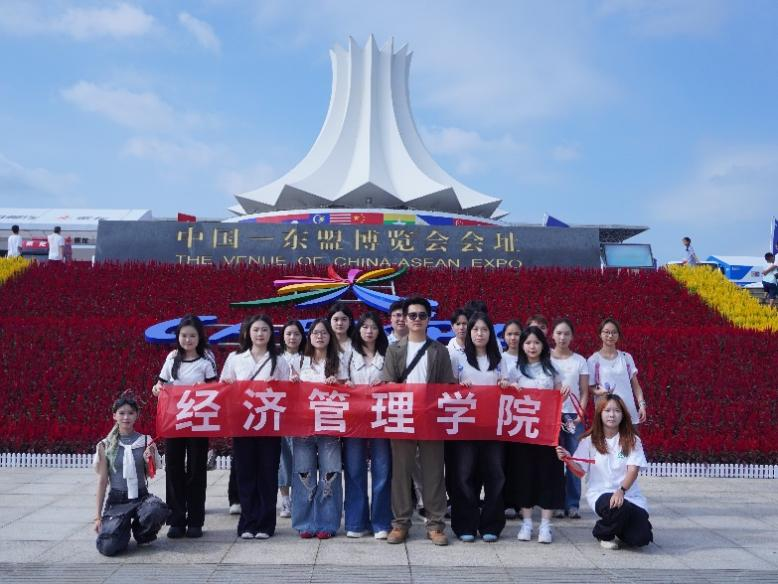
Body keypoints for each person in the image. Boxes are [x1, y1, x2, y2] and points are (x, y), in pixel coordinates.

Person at [383, 295, 455, 546]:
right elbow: (388, 383)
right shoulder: (394, 349)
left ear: (428, 319)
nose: (417, 319)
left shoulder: (439, 350)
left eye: (422, 315)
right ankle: (400, 523)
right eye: (412, 315)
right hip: (402, 416)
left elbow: (447, 386)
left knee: (434, 473)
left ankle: (435, 525)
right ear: (404, 318)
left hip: (431, 419)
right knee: (401, 473)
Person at [221, 314, 290, 539]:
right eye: (256, 330)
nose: (260, 334)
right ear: (247, 333)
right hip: (243, 422)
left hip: (269, 423)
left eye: (264, 330)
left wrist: (279, 386)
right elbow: (223, 387)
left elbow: (289, 393)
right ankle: (247, 523)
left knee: (268, 473)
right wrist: (228, 385)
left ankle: (266, 524)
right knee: (245, 473)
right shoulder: (235, 358)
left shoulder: (279, 360)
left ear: (271, 334)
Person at [556, 394, 653, 549]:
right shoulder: (589, 441)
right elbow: (580, 472)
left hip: (628, 495)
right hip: (601, 494)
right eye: (607, 411)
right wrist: (568, 459)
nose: (612, 415)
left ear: (623, 415)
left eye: (617, 411)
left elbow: (633, 469)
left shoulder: (631, 441)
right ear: (600, 414)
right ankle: (603, 533)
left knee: (642, 538)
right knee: (620, 507)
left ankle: (618, 527)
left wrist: (621, 490)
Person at [151, 315, 217, 538]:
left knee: (196, 470)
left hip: (198, 421)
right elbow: (160, 384)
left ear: (200, 337)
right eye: (184, 335)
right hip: (175, 420)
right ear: (178, 337)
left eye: (192, 336)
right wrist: (157, 389)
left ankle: (195, 520)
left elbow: (215, 388)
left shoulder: (206, 360)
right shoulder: (172, 359)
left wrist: (205, 387)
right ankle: (176, 520)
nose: (188, 340)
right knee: (174, 468)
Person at [502, 326, 569, 544]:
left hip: (548, 431)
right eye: (528, 342)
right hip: (523, 431)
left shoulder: (552, 368)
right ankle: (527, 522)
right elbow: (504, 393)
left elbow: (560, 394)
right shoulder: (515, 369)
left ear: (543, 345)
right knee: (525, 475)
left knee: (549, 474)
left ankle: (546, 525)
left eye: (537, 342)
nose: (532, 347)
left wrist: (563, 392)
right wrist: (508, 386)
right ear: (522, 345)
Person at [449, 312, 505, 542]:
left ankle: (491, 524)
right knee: (463, 475)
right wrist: (458, 386)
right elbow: (446, 388)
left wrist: (506, 384)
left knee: (496, 476)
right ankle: (465, 524)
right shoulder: (458, 358)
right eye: (475, 329)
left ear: (490, 333)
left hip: (493, 426)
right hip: (465, 426)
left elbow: (510, 387)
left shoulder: (499, 359)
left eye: (484, 329)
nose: (479, 334)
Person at [94, 394, 169, 556]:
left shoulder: (146, 441)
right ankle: (122, 527)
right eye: (121, 413)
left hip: (141, 496)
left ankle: (142, 533)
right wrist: (98, 517)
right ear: (114, 416)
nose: (126, 417)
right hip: (117, 500)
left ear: (136, 415)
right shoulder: (105, 445)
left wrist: (149, 458)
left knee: (156, 510)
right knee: (107, 547)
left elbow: (151, 473)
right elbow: (102, 481)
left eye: (130, 413)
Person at [293, 318, 347, 539]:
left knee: (330, 474)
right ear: (310, 337)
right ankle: (305, 523)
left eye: (324, 333)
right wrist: (293, 383)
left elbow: (350, 391)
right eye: (315, 332)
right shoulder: (299, 361)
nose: (320, 336)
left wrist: (339, 384)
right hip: (303, 427)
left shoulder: (339, 361)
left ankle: (327, 523)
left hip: (329, 426)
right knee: (303, 474)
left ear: (330, 337)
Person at [343, 311, 392, 539]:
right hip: (354, 419)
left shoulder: (388, 353)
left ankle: (381, 522)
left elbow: (397, 381)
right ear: (358, 330)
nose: (369, 331)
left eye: (373, 327)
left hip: (381, 418)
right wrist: (346, 384)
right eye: (364, 327)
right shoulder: (348, 354)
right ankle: (356, 522)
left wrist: (387, 383)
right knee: (354, 470)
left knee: (382, 469)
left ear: (379, 330)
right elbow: (339, 381)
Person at [550, 318, 589, 519]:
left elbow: (584, 391)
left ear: (572, 336)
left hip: (573, 416)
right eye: (559, 333)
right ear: (552, 335)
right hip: (551, 415)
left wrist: (579, 415)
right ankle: (556, 503)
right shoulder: (546, 359)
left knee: (574, 459)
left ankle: (572, 504)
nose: (562, 337)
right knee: (555, 460)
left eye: (566, 333)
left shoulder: (580, 361)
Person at [587, 318, 647, 427]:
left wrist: (641, 405)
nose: (610, 336)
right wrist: (599, 392)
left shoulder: (626, 357)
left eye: (614, 332)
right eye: (606, 332)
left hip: (628, 414)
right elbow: (590, 387)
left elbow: (636, 385)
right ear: (600, 334)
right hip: (607, 416)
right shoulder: (593, 360)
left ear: (618, 335)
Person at [277, 320, 307, 518]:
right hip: (281, 414)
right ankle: (285, 500)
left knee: (302, 458)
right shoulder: (276, 358)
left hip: (302, 416)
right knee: (283, 459)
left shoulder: (309, 358)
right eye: (288, 334)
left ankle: (301, 498)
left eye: (296, 334)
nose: (292, 337)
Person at [499, 319, 523, 520]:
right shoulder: (499, 357)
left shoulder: (529, 357)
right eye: (509, 334)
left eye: (516, 334)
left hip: (524, 416)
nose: (513, 338)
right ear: (504, 336)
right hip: (503, 415)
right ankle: (505, 501)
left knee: (519, 462)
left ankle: (519, 502)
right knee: (503, 461)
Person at [328, 301, 354, 370]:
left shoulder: (357, 344)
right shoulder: (324, 344)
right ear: (329, 322)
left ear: (350, 322)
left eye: (344, 319)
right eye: (336, 319)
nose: (339, 323)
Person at [447, 308, 468, 374]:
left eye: (464, 323)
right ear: (452, 327)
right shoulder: (448, 351)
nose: (461, 327)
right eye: (458, 324)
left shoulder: (478, 347)